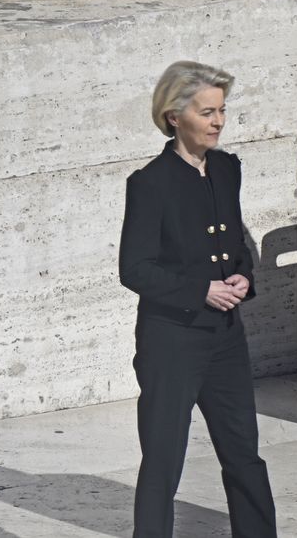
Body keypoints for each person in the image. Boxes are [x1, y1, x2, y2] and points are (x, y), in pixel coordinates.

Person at [118, 61, 277, 538]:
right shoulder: (150, 183)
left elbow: (236, 247)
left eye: (222, 110)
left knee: (243, 451)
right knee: (164, 459)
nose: (218, 121)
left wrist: (243, 277)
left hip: (226, 340)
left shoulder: (227, 169)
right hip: (172, 342)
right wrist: (200, 291)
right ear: (174, 116)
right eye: (207, 112)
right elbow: (135, 269)